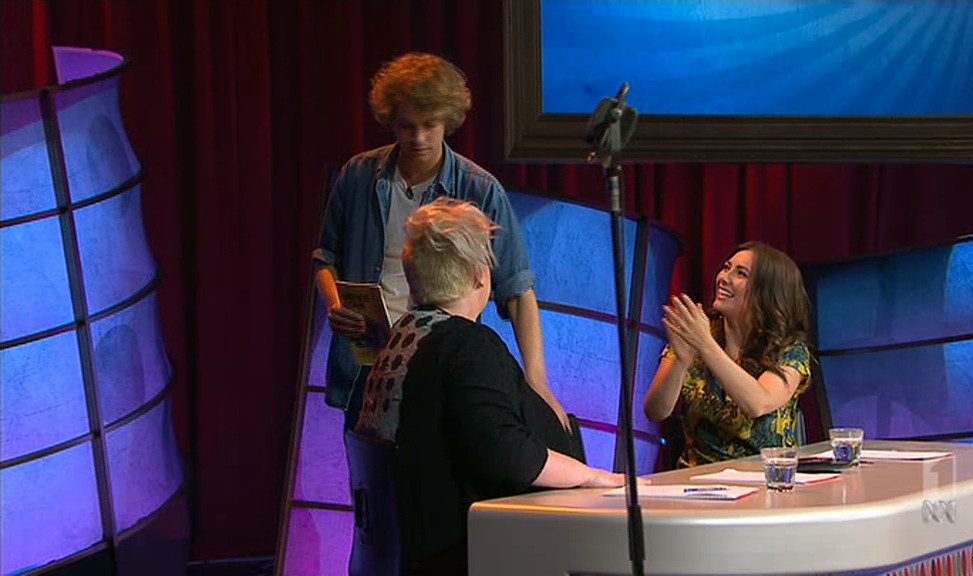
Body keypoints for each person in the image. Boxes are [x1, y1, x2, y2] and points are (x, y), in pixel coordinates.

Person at [356, 198, 628, 575]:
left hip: (424, 550)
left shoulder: (404, 335)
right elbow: (507, 455)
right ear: (479, 276)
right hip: (467, 552)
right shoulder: (466, 345)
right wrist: (591, 475)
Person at [312, 52, 568, 431]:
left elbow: (517, 289)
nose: (418, 138)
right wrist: (336, 305)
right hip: (369, 364)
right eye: (406, 126)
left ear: (448, 120)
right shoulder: (359, 176)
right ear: (390, 121)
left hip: (442, 366)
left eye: (429, 125)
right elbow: (325, 258)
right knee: (370, 465)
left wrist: (538, 382)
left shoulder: (479, 189)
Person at [643, 241, 813, 467]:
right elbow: (656, 411)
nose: (724, 278)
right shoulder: (697, 334)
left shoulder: (789, 349)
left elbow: (758, 403)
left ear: (767, 291)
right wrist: (681, 361)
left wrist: (705, 345)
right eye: (726, 267)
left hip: (765, 480)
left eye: (741, 273)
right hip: (697, 480)